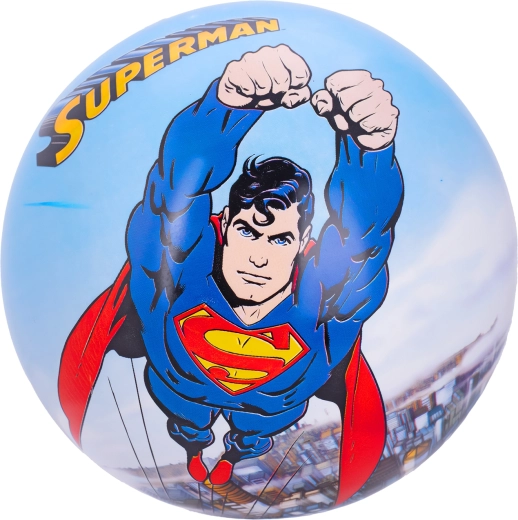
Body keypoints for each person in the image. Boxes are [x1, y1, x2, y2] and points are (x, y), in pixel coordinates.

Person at [58, 45, 403, 503]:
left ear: (303, 243)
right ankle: (194, 447)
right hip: (182, 396)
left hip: (266, 414)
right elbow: (172, 197)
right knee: (188, 422)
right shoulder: (178, 281)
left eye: (279, 239)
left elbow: (364, 241)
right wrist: (226, 108)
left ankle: (234, 456)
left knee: (255, 432)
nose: (258, 258)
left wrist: (368, 152)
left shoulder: (323, 304)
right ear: (223, 226)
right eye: (248, 232)